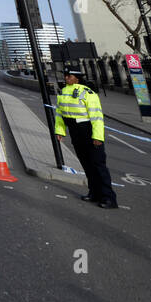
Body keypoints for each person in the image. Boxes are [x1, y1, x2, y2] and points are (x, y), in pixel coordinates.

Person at [54, 68, 118, 209]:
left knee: (98, 164)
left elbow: (96, 117)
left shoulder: (88, 93)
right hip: (75, 131)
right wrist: (60, 131)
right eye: (65, 76)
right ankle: (94, 192)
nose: (66, 78)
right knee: (86, 164)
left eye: (69, 76)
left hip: (88, 130)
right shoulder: (63, 92)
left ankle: (109, 198)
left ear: (77, 78)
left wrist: (97, 136)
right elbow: (59, 114)